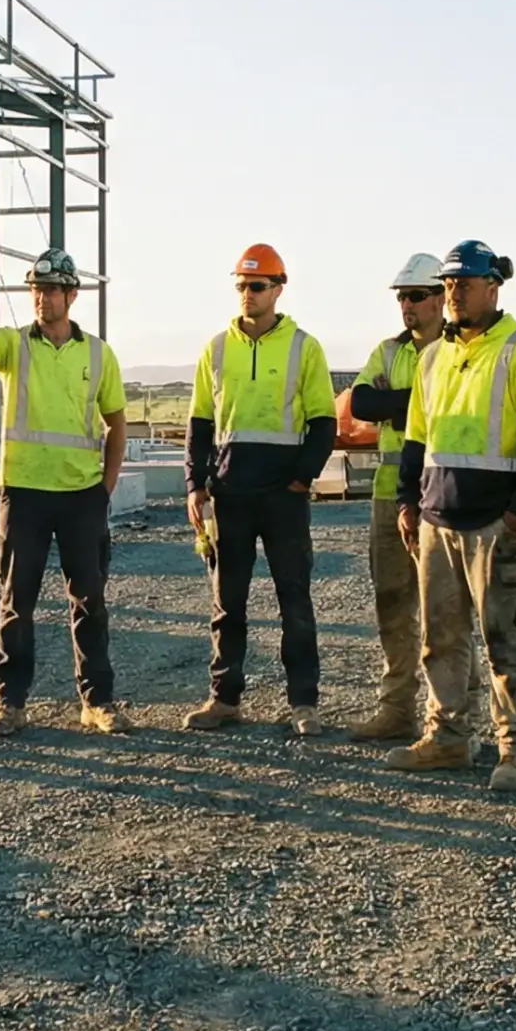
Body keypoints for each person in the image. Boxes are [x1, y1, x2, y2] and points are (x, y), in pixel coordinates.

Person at [0, 248, 130, 737]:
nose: (42, 298)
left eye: (52, 289)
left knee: (90, 601)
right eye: (36, 289)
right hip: (25, 492)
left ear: (72, 295)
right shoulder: (16, 346)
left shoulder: (98, 354)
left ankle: (98, 701)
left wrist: (106, 487)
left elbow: (116, 424)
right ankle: (10, 704)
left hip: (81, 495)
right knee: (17, 602)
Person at [381, 239, 516, 786]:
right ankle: (449, 737)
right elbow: (418, 439)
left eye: (465, 283)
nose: (455, 293)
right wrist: (409, 503)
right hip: (438, 521)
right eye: (450, 284)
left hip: (493, 525)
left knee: (505, 639)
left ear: (494, 286)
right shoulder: (435, 356)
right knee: (442, 639)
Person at [182, 243, 338, 735]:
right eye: (241, 286)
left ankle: (304, 704)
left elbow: (324, 422)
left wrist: (301, 478)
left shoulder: (303, 347)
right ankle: (224, 699)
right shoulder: (217, 348)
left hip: (282, 498)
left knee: (294, 598)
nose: (247, 295)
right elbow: (200, 423)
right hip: (230, 494)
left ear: (278, 288)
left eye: (257, 286)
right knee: (228, 603)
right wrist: (195, 485)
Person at [341, 253, 448, 742]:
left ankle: (446, 716)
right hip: (389, 497)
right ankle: (397, 707)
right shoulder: (389, 351)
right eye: (402, 297)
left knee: (445, 609)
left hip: (443, 495)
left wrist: (398, 402)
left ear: (441, 297)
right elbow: (362, 403)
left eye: (417, 296)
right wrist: (415, 401)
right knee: (392, 602)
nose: (407, 305)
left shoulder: (456, 349)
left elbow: (442, 409)